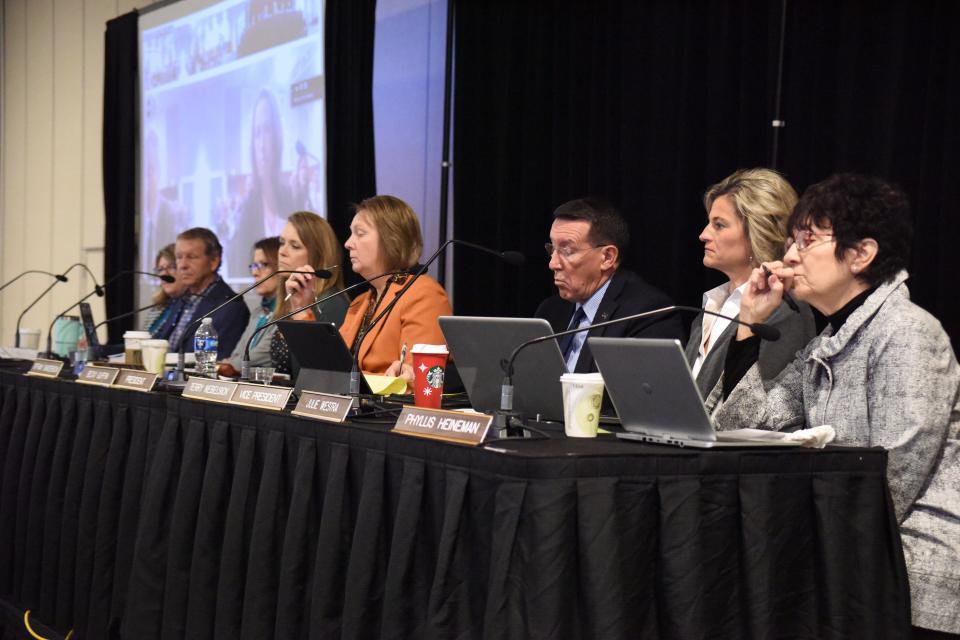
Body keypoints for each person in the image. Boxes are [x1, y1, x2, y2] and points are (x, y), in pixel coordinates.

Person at [713, 174, 959, 638]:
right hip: (854, 570)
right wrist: (749, 324)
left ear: (861, 254)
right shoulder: (830, 340)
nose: (788, 256)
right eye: (791, 241)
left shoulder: (907, 332)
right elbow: (741, 426)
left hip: (915, 578)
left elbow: (892, 479)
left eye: (806, 241)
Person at [686, 169, 816, 411]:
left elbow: (756, 411)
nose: (703, 235)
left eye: (719, 225)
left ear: (758, 232)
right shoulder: (712, 303)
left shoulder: (784, 310)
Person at [535, 197, 684, 373]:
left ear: (607, 257)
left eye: (567, 251)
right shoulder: (550, 311)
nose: (553, 264)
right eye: (552, 249)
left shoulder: (649, 314)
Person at [339, 195, 452, 389]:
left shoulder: (423, 294)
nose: (348, 243)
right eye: (351, 234)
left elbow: (416, 379)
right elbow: (334, 367)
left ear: (391, 239)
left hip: (390, 414)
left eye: (360, 233)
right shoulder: (360, 302)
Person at [270, 211, 349, 374]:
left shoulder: (331, 302)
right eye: (282, 242)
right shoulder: (288, 300)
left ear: (318, 256)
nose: (282, 252)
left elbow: (321, 371)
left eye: (295, 246)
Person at [153, 227, 250, 358]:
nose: (182, 265)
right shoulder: (182, 299)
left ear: (214, 261)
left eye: (191, 257)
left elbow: (217, 361)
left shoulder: (230, 306)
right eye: (179, 257)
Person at [231, 89, 296, 275]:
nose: (261, 144)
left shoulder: (292, 198)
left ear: (277, 136)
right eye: (257, 133)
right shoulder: (246, 210)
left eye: (267, 130)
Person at [220, 237, 281, 375]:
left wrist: (231, 366)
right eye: (254, 266)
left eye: (264, 265)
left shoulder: (290, 311)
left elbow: (266, 353)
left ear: (281, 267)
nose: (255, 273)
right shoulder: (258, 312)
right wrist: (231, 364)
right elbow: (237, 353)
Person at [143, 243, 184, 334]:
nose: (164, 274)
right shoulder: (159, 306)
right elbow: (142, 342)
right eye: (160, 269)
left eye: (171, 267)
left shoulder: (189, 307)